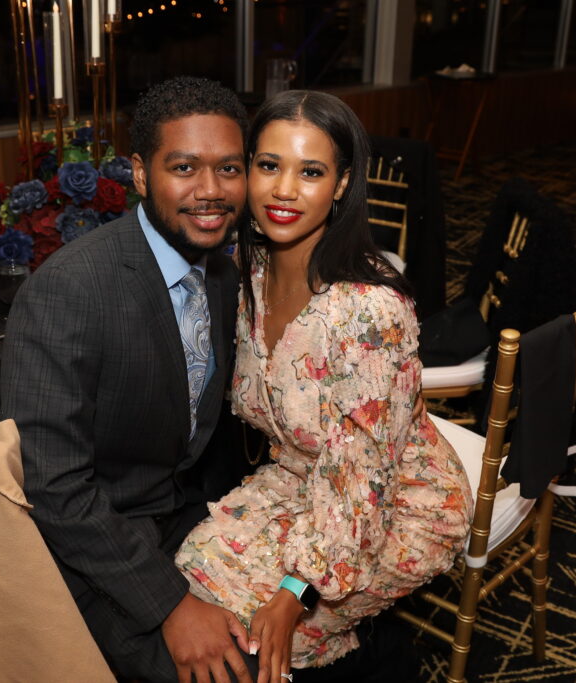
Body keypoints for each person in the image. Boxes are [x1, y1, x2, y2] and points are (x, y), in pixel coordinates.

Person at [175, 90, 475, 683]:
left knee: (251, 636)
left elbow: (362, 482)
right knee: (190, 574)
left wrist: (295, 593)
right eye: (269, 165)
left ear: (341, 185)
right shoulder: (249, 269)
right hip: (300, 478)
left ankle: (367, 655)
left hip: (398, 507)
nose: (284, 190)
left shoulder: (368, 313)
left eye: (310, 172)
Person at [0, 76, 258, 682]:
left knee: (297, 641)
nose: (211, 191)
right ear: (141, 174)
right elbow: (52, 487)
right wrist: (169, 604)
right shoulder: (70, 290)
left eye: (228, 169)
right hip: (90, 550)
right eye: (185, 168)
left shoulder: (221, 274)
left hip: (183, 515)